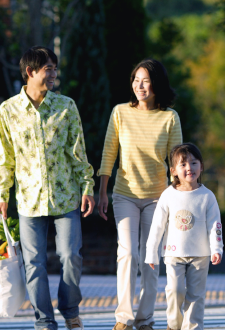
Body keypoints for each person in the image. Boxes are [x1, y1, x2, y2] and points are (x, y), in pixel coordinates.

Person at [0, 46, 95, 330]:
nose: (53, 74)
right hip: (28, 201)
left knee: (70, 256)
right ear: (31, 72)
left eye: (54, 68)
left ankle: (69, 309)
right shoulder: (7, 111)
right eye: (48, 69)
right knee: (34, 264)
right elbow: (5, 160)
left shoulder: (66, 106)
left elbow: (78, 152)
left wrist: (87, 187)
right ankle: (44, 321)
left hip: (66, 197)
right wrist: (2, 194)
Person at [97, 58, 182, 330]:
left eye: (145, 80)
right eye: (136, 79)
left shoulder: (170, 117)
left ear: (157, 84)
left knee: (150, 257)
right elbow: (109, 152)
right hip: (125, 194)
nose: (139, 85)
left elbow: (176, 162)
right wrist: (103, 191)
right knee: (127, 253)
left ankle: (145, 318)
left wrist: (178, 197)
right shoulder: (120, 112)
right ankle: (123, 317)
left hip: (159, 197)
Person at [144, 143, 223, 330]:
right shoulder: (167, 195)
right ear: (173, 171)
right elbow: (157, 226)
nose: (189, 168)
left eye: (194, 163)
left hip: (201, 254)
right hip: (173, 254)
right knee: (175, 290)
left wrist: (217, 248)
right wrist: (151, 253)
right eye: (183, 164)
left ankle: (193, 327)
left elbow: (215, 225)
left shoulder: (207, 196)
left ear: (201, 166)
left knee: (196, 295)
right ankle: (174, 324)